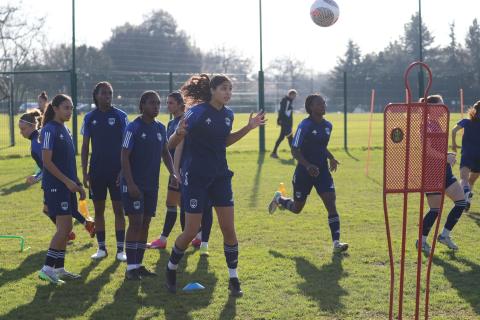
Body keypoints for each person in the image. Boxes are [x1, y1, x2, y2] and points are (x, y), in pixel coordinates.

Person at [165, 74, 265, 296]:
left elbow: (225, 141)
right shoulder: (197, 112)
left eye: (230, 89)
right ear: (212, 90)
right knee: (191, 230)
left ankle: (234, 279)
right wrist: (179, 134)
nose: (228, 93)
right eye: (223, 88)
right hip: (196, 177)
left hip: (220, 176)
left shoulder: (228, 114)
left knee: (228, 228)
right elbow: (171, 143)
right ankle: (171, 268)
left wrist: (248, 127)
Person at [268, 94, 349, 253]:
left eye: (324, 103)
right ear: (311, 108)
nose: (323, 106)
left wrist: (331, 157)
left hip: (322, 172)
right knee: (297, 208)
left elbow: (320, 147)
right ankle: (279, 199)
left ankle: (336, 243)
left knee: (331, 203)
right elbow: (294, 149)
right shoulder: (304, 126)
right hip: (304, 173)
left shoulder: (328, 126)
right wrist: (307, 166)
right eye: (319, 104)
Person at [148, 92, 214, 257]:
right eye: (167, 102)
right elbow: (167, 147)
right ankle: (188, 236)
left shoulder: (186, 121)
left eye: (171, 103)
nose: (167, 106)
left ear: (180, 104)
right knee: (172, 203)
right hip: (174, 169)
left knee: (187, 206)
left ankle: (187, 238)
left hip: (185, 171)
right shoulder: (171, 123)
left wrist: (176, 171)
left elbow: (179, 148)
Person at [121, 91, 175, 280]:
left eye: (158, 104)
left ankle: (139, 264)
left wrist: (173, 172)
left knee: (145, 223)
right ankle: (130, 268)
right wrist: (130, 183)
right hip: (134, 185)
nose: (156, 107)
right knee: (135, 223)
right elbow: (124, 156)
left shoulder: (160, 128)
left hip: (152, 185)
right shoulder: (133, 128)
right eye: (152, 103)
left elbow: (165, 153)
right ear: (142, 105)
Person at [19, 110, 94, 241]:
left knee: (54, 209)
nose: (21, 132)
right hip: (63, 178)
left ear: (32, 126)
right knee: (64, 208)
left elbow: (48, 166)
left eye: (23, 129)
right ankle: (83, 226)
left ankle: (67, 233)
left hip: (56, 181)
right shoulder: (40, 136)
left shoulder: (37, 142)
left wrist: (36, 178)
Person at [38, 94, 86, 284]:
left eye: (71, 108)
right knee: (64, 227)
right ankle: (47, 268)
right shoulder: (49, 129)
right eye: (66, 107)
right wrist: (67, 182)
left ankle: (59, 268)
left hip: (68, 185)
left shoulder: (65, 129)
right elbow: (47, 162)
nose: (70, 111)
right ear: (55, 108)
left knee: (66, 228)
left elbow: (68, 162)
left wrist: (78, 184)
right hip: (56, 187)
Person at [81, 82, 128, 261]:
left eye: (110, 93)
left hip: (117, 172)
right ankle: (101, 248)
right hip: (97, 172)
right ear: (96, 95)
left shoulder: (121, 116)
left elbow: (127, 146)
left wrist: (123, 170)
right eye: (104, 93)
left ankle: (120, 250)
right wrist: (85, 172)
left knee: (119, 210)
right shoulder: (89, 118)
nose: (107, 96)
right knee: (98, 210)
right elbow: (85, 147)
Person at [416, 95, 467, 254]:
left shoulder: (437, 124)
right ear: (431, 108)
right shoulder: (425, 125)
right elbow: (427, 150)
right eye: (441, 106)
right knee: (435, 210)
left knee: (461, 202)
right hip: (431, 173)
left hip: (445, 171)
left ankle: (444, 235)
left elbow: (437, 149)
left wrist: (447, 155)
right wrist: (444, 156)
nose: (444, 109)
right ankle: (421, 241)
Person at [452, 100, 480, 212]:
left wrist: (454, 144)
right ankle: (467, 201)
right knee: (471, 181)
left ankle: (466, 192)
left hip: (467, 154)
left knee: (463, 179)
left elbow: (454, 130)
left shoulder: (466, 121)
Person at [271, 89, 297, 158]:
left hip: (287, 123)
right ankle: (294, 154)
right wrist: (280, 120)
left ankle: (273, 153)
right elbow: (281, 111)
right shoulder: (286, 101)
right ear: (290, 95)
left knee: (281, 138)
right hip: (285, 123)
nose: (295, 97)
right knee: (290, 138)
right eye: (294, 95)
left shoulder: (289, 101)